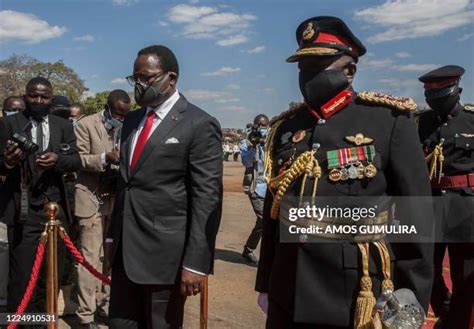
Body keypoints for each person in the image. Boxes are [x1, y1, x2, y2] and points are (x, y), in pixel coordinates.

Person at [255, 16, 434, 328]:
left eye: (316, 67)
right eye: (302, 68)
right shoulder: (285, 128)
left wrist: (411, 297)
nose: (306, 76)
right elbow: (274, 214)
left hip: (353, 289)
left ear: (349, 70)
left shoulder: (387, 121)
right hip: (289, 285)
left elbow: (416, 216)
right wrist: (266, 282)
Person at [106, 45, 222, 328]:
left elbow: (206, 197)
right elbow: (127, 184)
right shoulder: (133, 119)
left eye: (148, 78)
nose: (141, 85)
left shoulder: (199, 123)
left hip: (165, 259)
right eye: (136, 79)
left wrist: (196, 262)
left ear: (171, 78)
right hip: (125, 253)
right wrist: (111, 238)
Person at [0, 77, 80, 316]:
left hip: (54, 211)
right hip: (22, 211)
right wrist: (7, 161)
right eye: (33, 95)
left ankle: (44, 321)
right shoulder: (10, 123)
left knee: (50, 274)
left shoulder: (62, 125)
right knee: (23, 277)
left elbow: (75, 160)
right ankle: (22, 323)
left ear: (51, 99)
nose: (38, 100)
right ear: (26, 96)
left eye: (44, 97)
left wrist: (57, 161)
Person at [418, 65, 474, 329]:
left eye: (440, 93)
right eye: (430, 94)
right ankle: (445, 308)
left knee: (466, 273)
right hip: (430, 204)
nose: (434, 99)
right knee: (425, 266)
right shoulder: (421, 122)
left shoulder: (472, 120)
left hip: (466, 204)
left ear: (456, 90)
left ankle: (457, 323)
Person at [74, 90, 131, 328]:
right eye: (117, 115)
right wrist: (105, 158)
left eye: (124, 116)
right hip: (91, 198)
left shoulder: (130, 126)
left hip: (117, 200)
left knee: (112, 257)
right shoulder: (85, 125)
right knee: (89, 259)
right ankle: (85, 314)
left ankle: (107, 306)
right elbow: (79, 158)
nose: (120, 119)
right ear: (107, 109)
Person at [240, 114, 269, 265]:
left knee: (262, 223)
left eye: (264, 126)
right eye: (259, 126)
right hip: (255, 188)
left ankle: (248, 249)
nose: (261, 129)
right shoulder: (246, 142)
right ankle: (269, 255)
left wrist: (265, 143)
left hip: (272, 187)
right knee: (265, 220)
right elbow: (246, 162)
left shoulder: (272, 140)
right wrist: (253, 145)